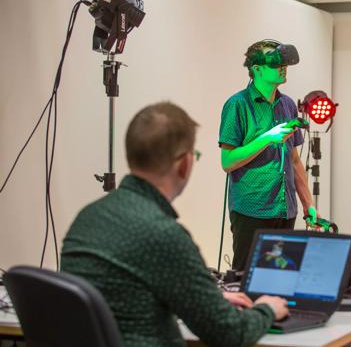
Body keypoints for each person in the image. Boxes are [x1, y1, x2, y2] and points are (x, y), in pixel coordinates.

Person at [61, 102, 288, 347]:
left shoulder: (87, 218)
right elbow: (230, 334)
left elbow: (124, 298)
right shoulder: (164, 234)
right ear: (184, 164)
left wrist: (203, 300)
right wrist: (267, 308)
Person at [219, 39, 317, 270]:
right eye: (275, 64)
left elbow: (294, 160)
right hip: (252, 208)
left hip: (285, 208)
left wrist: (308, 205)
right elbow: (228, 161)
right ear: (257, 69)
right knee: (247, 278)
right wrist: (266, 138)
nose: (282, 68)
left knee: (281, 279)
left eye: (284, 64)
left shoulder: (288, 105)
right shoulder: (237, 105)